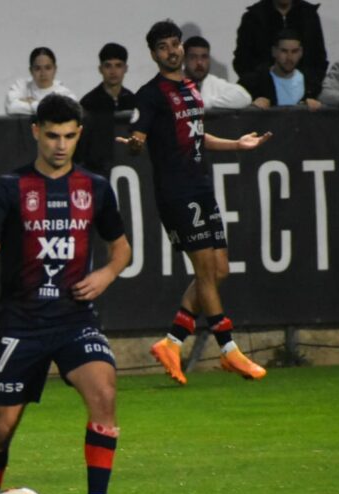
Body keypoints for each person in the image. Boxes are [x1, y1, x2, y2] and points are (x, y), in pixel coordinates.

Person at [0, 93, 134, 494]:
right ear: (36, 132)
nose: (61, 145)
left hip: (76, 320)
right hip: (22, 325)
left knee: (105, 392)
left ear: (79, 135)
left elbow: (121, 248)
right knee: (0, 430)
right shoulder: (7, 187)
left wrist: (105, 275)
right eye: (53, 135)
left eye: (70, 136)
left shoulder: (95, 187)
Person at [118, 20, 272, 385]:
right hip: (177, 193)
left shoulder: (189, 87)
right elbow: (138, 137)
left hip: (201, 186)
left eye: (176, 44)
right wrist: (137, 144)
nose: (172, 51)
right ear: (154, 54)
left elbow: (197, 134)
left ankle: (171, 343)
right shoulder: (150, 94)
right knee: (205, 271)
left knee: (219, 271)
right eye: (164, 47)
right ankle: (229, 349)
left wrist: (237, 144)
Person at [233, 0, 327, 90]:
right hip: (262, 95)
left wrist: (309, 90)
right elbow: (242, 61)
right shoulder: (253, 17)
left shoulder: (309, 16)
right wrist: (259, 90)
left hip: (304, 92)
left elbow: (319, 58)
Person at [238, 29, 321, 111]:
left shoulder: (312, 83)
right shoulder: (253, 82)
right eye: (284, 51)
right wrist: (252, 106)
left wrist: (317, 105)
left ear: (301, 52)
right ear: (274, 51)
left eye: (294, 51)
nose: (289, 57)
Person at [182, 36, 251, 110]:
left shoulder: (213, 82)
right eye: (193, 57)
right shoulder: (173, 81)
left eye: (204, 57)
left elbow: (244, 97)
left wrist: (205, 103)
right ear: (184, 59)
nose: (199, 62)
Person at [5, 47, 77, 116]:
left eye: (48, 68)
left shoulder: (64, 94)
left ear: (55, 69)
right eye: (37, 68)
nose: (43, 73)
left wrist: (33, 103)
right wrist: (49, 108)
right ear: (31, 71)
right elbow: (11, 107)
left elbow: (71, 109)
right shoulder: (21, 86)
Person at [79, 42, 137, 113]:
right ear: (100, 69)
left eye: (118, 66)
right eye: (108, 66)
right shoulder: (88, 103)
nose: (113, 71)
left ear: (125, 68)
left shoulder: (132, 101)